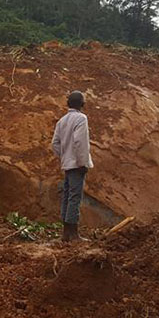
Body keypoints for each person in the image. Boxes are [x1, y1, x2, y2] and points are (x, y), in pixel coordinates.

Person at [51, 90, 94, 242]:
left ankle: (65, 233)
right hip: (77, 164)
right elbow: (80, 143)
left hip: (67, 164)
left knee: (67, 196)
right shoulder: (81, 119)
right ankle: (74, 234)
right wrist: (82, 163)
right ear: (82, 104)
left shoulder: (62, 121)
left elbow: (55, 143)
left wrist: (64, 156)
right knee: (75, 197)